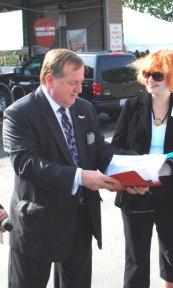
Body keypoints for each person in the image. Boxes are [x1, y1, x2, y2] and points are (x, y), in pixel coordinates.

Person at [2, 48, 123, 288]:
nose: (79, 89)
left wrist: (130, 169)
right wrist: (80, 177)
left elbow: (99, 150)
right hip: (36, 227)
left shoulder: (84, 108)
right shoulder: (19, 114)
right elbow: (26, 164)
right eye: (73, 82)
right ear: (50, 80)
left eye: (81, 82)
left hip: (80, 221)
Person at [111, 49, 173, 288]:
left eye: (158, 75)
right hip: (136, 190)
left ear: (171, 77)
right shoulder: (132, 106)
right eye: (147, 73)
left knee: (172, 255)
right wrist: (141, 163)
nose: (151, 79)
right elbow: (116, 148)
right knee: (136, 260)